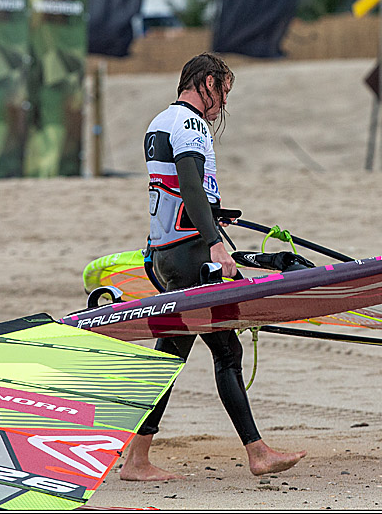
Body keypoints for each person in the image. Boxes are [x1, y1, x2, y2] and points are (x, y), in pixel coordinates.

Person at [119, 52, 307, 481]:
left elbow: (176, 191)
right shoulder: (190, 124)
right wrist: (215, 244)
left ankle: (137, 459)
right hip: (191, 256)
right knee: (225, 350)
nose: (222, 104)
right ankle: (256, 454)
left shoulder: (159, 122)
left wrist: (217, 214)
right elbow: (187, 185)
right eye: (222, 91)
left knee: (171, 355)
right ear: (205, 83)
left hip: (166, 255)